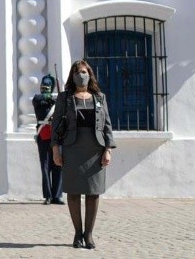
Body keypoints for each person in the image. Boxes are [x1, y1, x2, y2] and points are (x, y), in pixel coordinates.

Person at [51, 60, 116, 250]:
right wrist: (56, 148)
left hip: (95, 150)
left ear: (90, 74)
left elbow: (107, 125)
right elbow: (55, 125)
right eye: (77, 72)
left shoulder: (99, 97)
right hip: (72, 149)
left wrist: (108, 149)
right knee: (73, 192)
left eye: (84, 71)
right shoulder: (65, 98)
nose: (81, 75)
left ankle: (89, 234)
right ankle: (77, 233)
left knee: (93, 193)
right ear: (72, 76)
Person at [32, 73, 64, 205]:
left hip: (57, 136)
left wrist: (60, 97)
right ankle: (48, 195)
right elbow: (41, 99)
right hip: (43, 135)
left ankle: (57, 195)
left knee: (58, 165)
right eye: (43, 85)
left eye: (48, 85)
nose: (45, 87)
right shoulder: (38, 98)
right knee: (45, 166)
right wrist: (53, 97)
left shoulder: (58, 99)